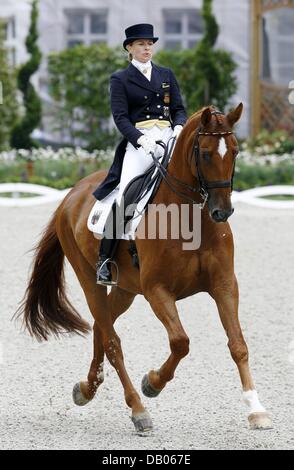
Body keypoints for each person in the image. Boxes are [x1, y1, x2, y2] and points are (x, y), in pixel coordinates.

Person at [93, 23, 187, 285]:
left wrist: (179, 127)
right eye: (141, 44)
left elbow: (179, 108)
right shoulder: (120, 79)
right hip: (140, 143)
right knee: (126, 194)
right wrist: (141, 140)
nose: (147, 48)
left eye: (149, 44)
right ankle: (105, 260)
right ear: (130, 48)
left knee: (192, 179)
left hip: (169, 138)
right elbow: (120, 118)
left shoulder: (166, 74)